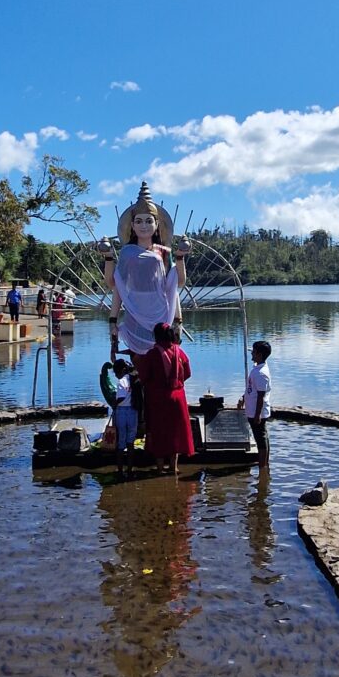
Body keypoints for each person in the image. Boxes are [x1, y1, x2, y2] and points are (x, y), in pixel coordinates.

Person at [103, 183, 188, 358]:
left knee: (162, 361)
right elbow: (116, 285)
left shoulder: (163, 252)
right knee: (139, 367)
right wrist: (113, 319)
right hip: (135, 312)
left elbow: (174, 286)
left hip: (161, 313)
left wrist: (178, 320)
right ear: (132, 225)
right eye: (139, 221)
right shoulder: (127, 252)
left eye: (149, 221)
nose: (144, 226)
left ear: (157, 224)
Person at [135, 322, 194, 474]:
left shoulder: (152, 354)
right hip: (177, 397)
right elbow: (187, 372)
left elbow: (144, 376)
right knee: (175, 431)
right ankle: (173, 467)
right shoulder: (179, 352)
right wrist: (177, 383)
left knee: (159, 431)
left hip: (157, 398)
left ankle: (160, 468)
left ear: (156, 336)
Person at [241, 340, 273, 470]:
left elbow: (261, 395)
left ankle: (263, 466)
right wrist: (243, 398)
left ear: (259, 354)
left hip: (256, 411)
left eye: (254, 352)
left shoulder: (261, 373)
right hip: (253, 409)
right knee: (261, 437)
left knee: (261, 439)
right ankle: (263, 464)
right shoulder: (257, 369)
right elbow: (251, 389)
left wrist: (257, 414)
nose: (252, 354)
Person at [112, 358, 141, 477]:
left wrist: (114, 404)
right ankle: (130, 469)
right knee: (130, 442)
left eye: (116, 373)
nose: (116, 375)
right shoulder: (134, 379)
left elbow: (121, 397)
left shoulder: (122, 381)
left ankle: (120, 470)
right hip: (133, 411)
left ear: (121, 371)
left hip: (122, 412)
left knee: (121, 441)